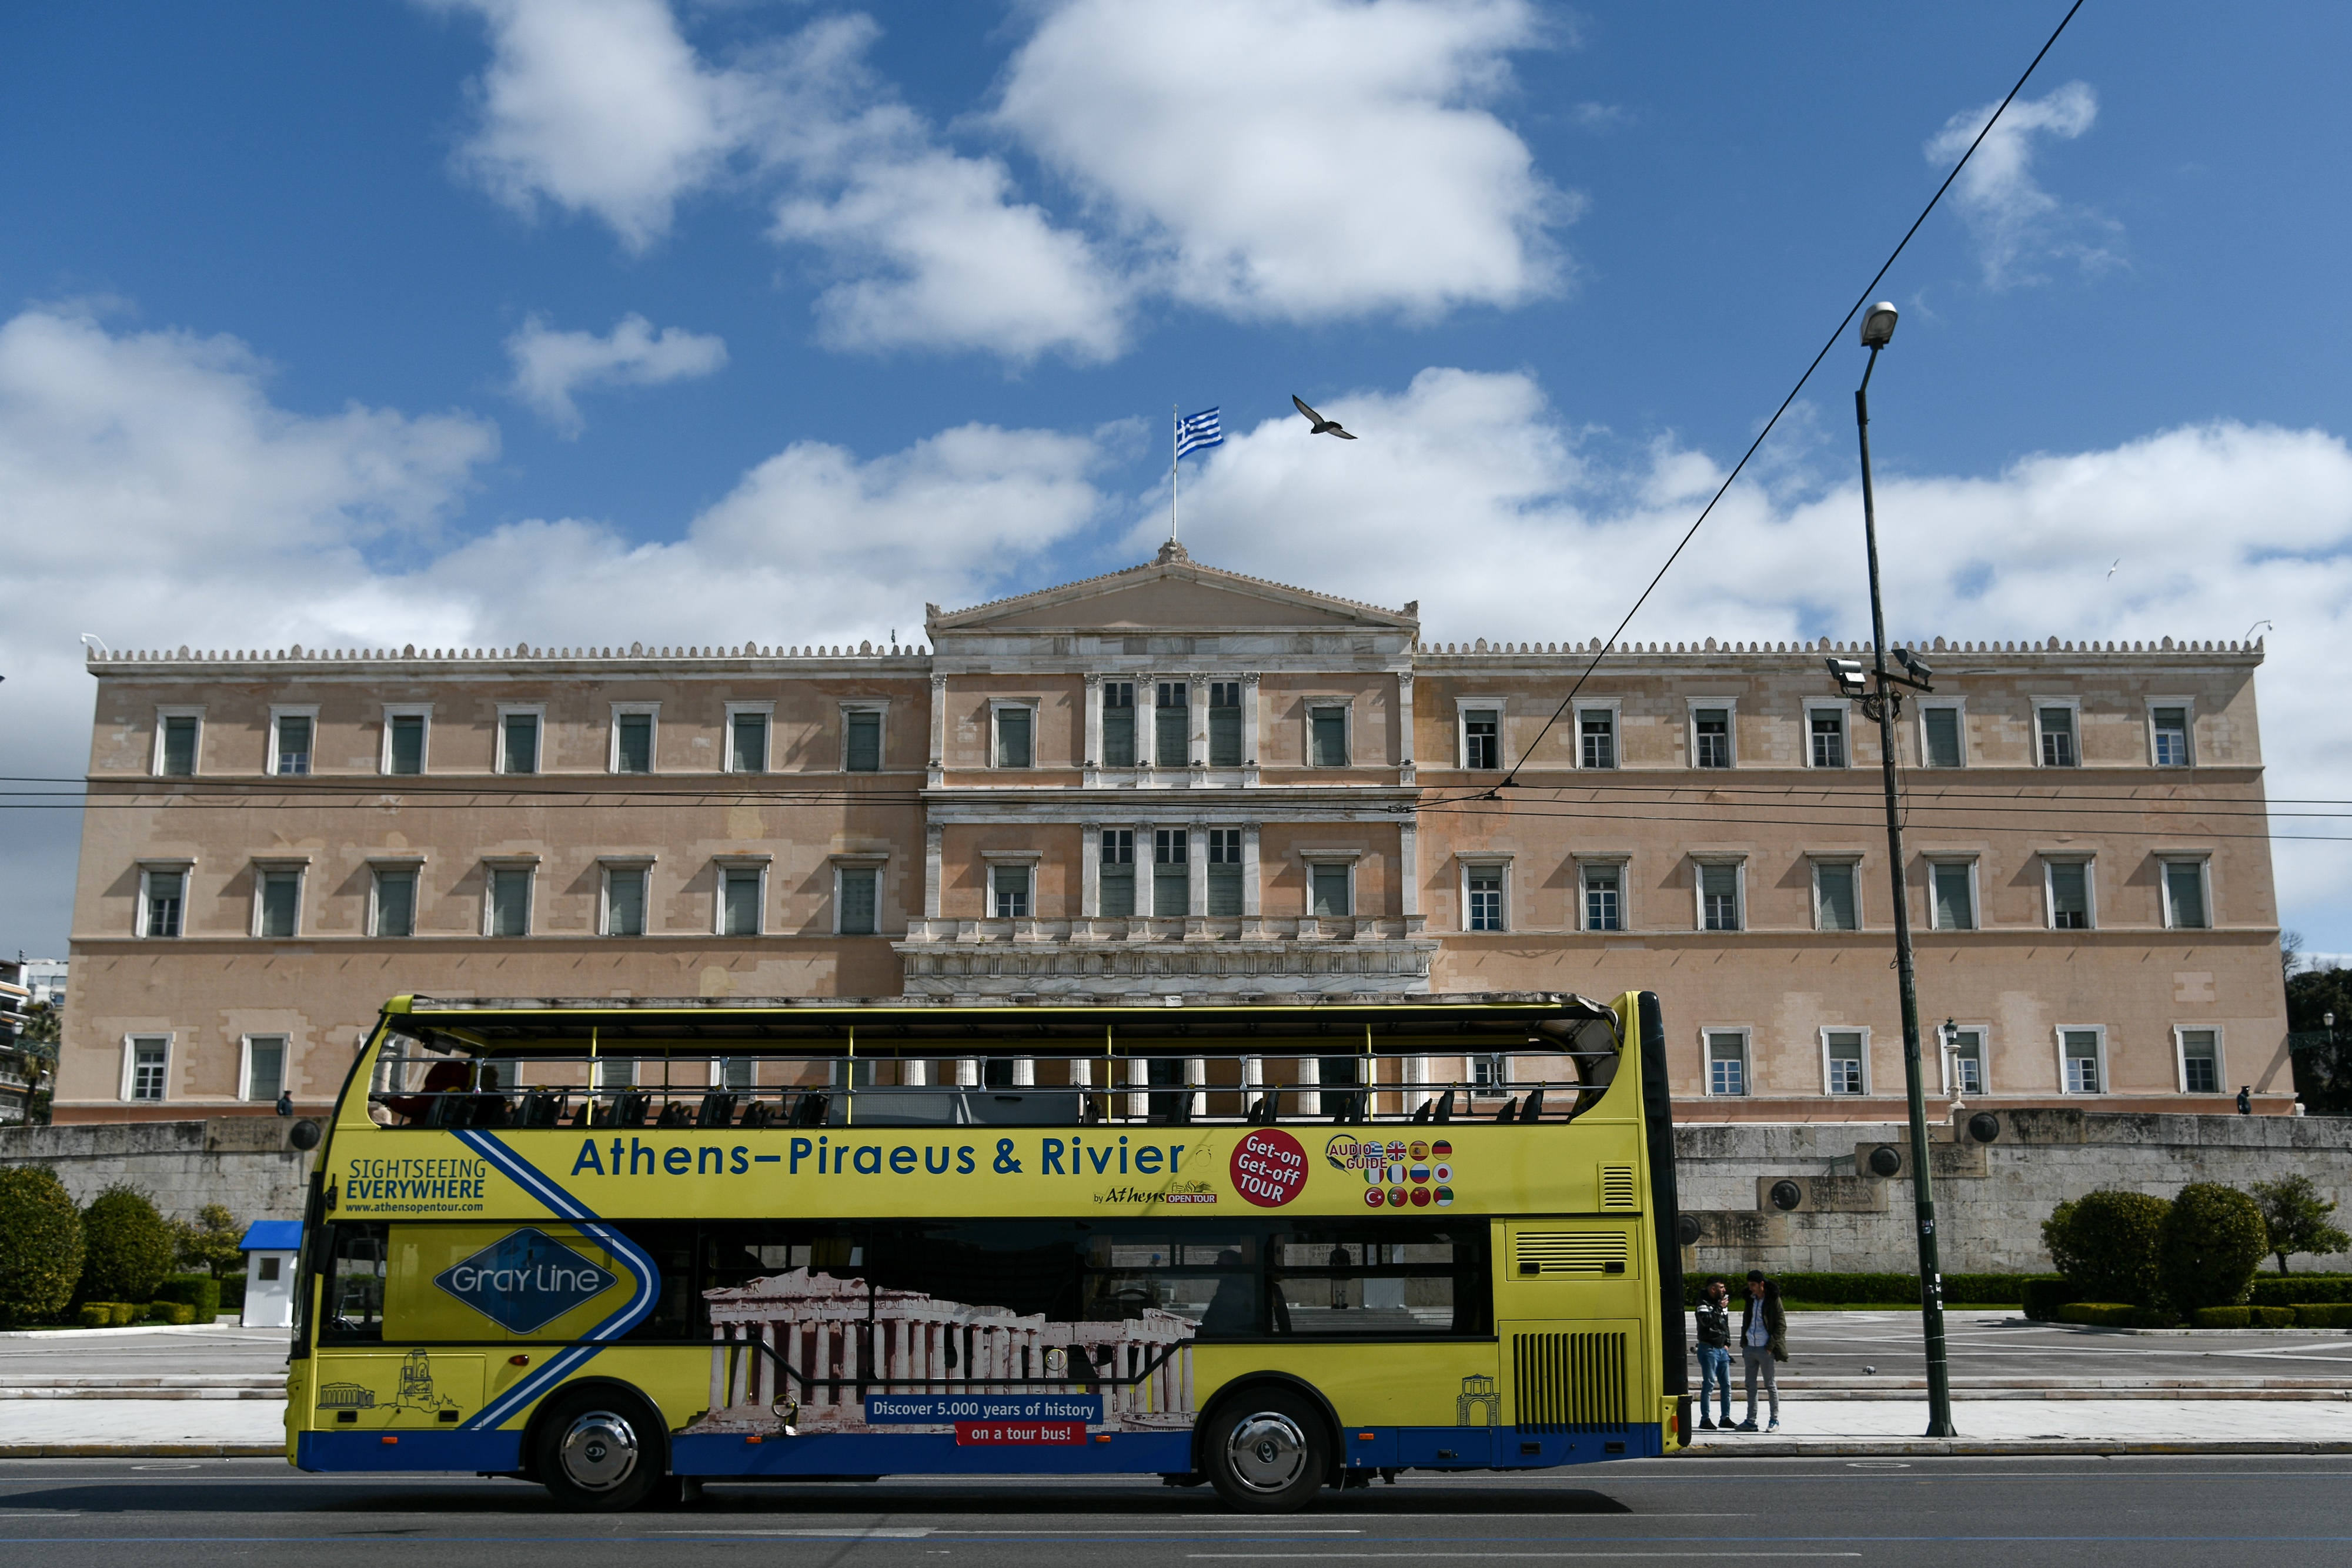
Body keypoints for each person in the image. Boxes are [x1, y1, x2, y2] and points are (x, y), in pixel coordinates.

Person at [1736, 1270, 1787, 1432]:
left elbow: (1781, 1325)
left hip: (1766, 1349)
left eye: (1753, 1285)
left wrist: (1770, 1346)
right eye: (1749, 1285)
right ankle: (1751, 1421)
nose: (1750, 1288)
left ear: (1761, 1285)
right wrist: (1744, 1343)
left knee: (1770, 1384)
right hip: (1751, 1347)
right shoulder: (1750, 1300)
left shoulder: (1773, 1300)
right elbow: (1747, 1321)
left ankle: (1774, 1420)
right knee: (1750, 1386)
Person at [1692, 1278, 1733, 1430]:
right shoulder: (1703, 1304)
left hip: (1721, 1349)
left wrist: (1727, 1343)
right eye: (1721, 1287)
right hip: (1708, 1348)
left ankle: (1725, 1417)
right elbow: (1706, 1321)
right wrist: (1717, 1307)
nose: (1724, 1290)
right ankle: (1705, 1419)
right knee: (1709, 1383)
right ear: (1713, 1289)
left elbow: (1725, 1324)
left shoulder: (1722, 1304)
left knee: (1726, 1385)